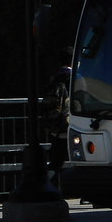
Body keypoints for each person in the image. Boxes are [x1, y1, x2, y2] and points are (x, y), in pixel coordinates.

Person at [42, 47, 72, 187]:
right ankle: (87, 192)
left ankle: (48, 186)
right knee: (83, 158)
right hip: (72, 124)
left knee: (56, 160)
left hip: (56, 125)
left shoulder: (55, 77)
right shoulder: (73, 76)